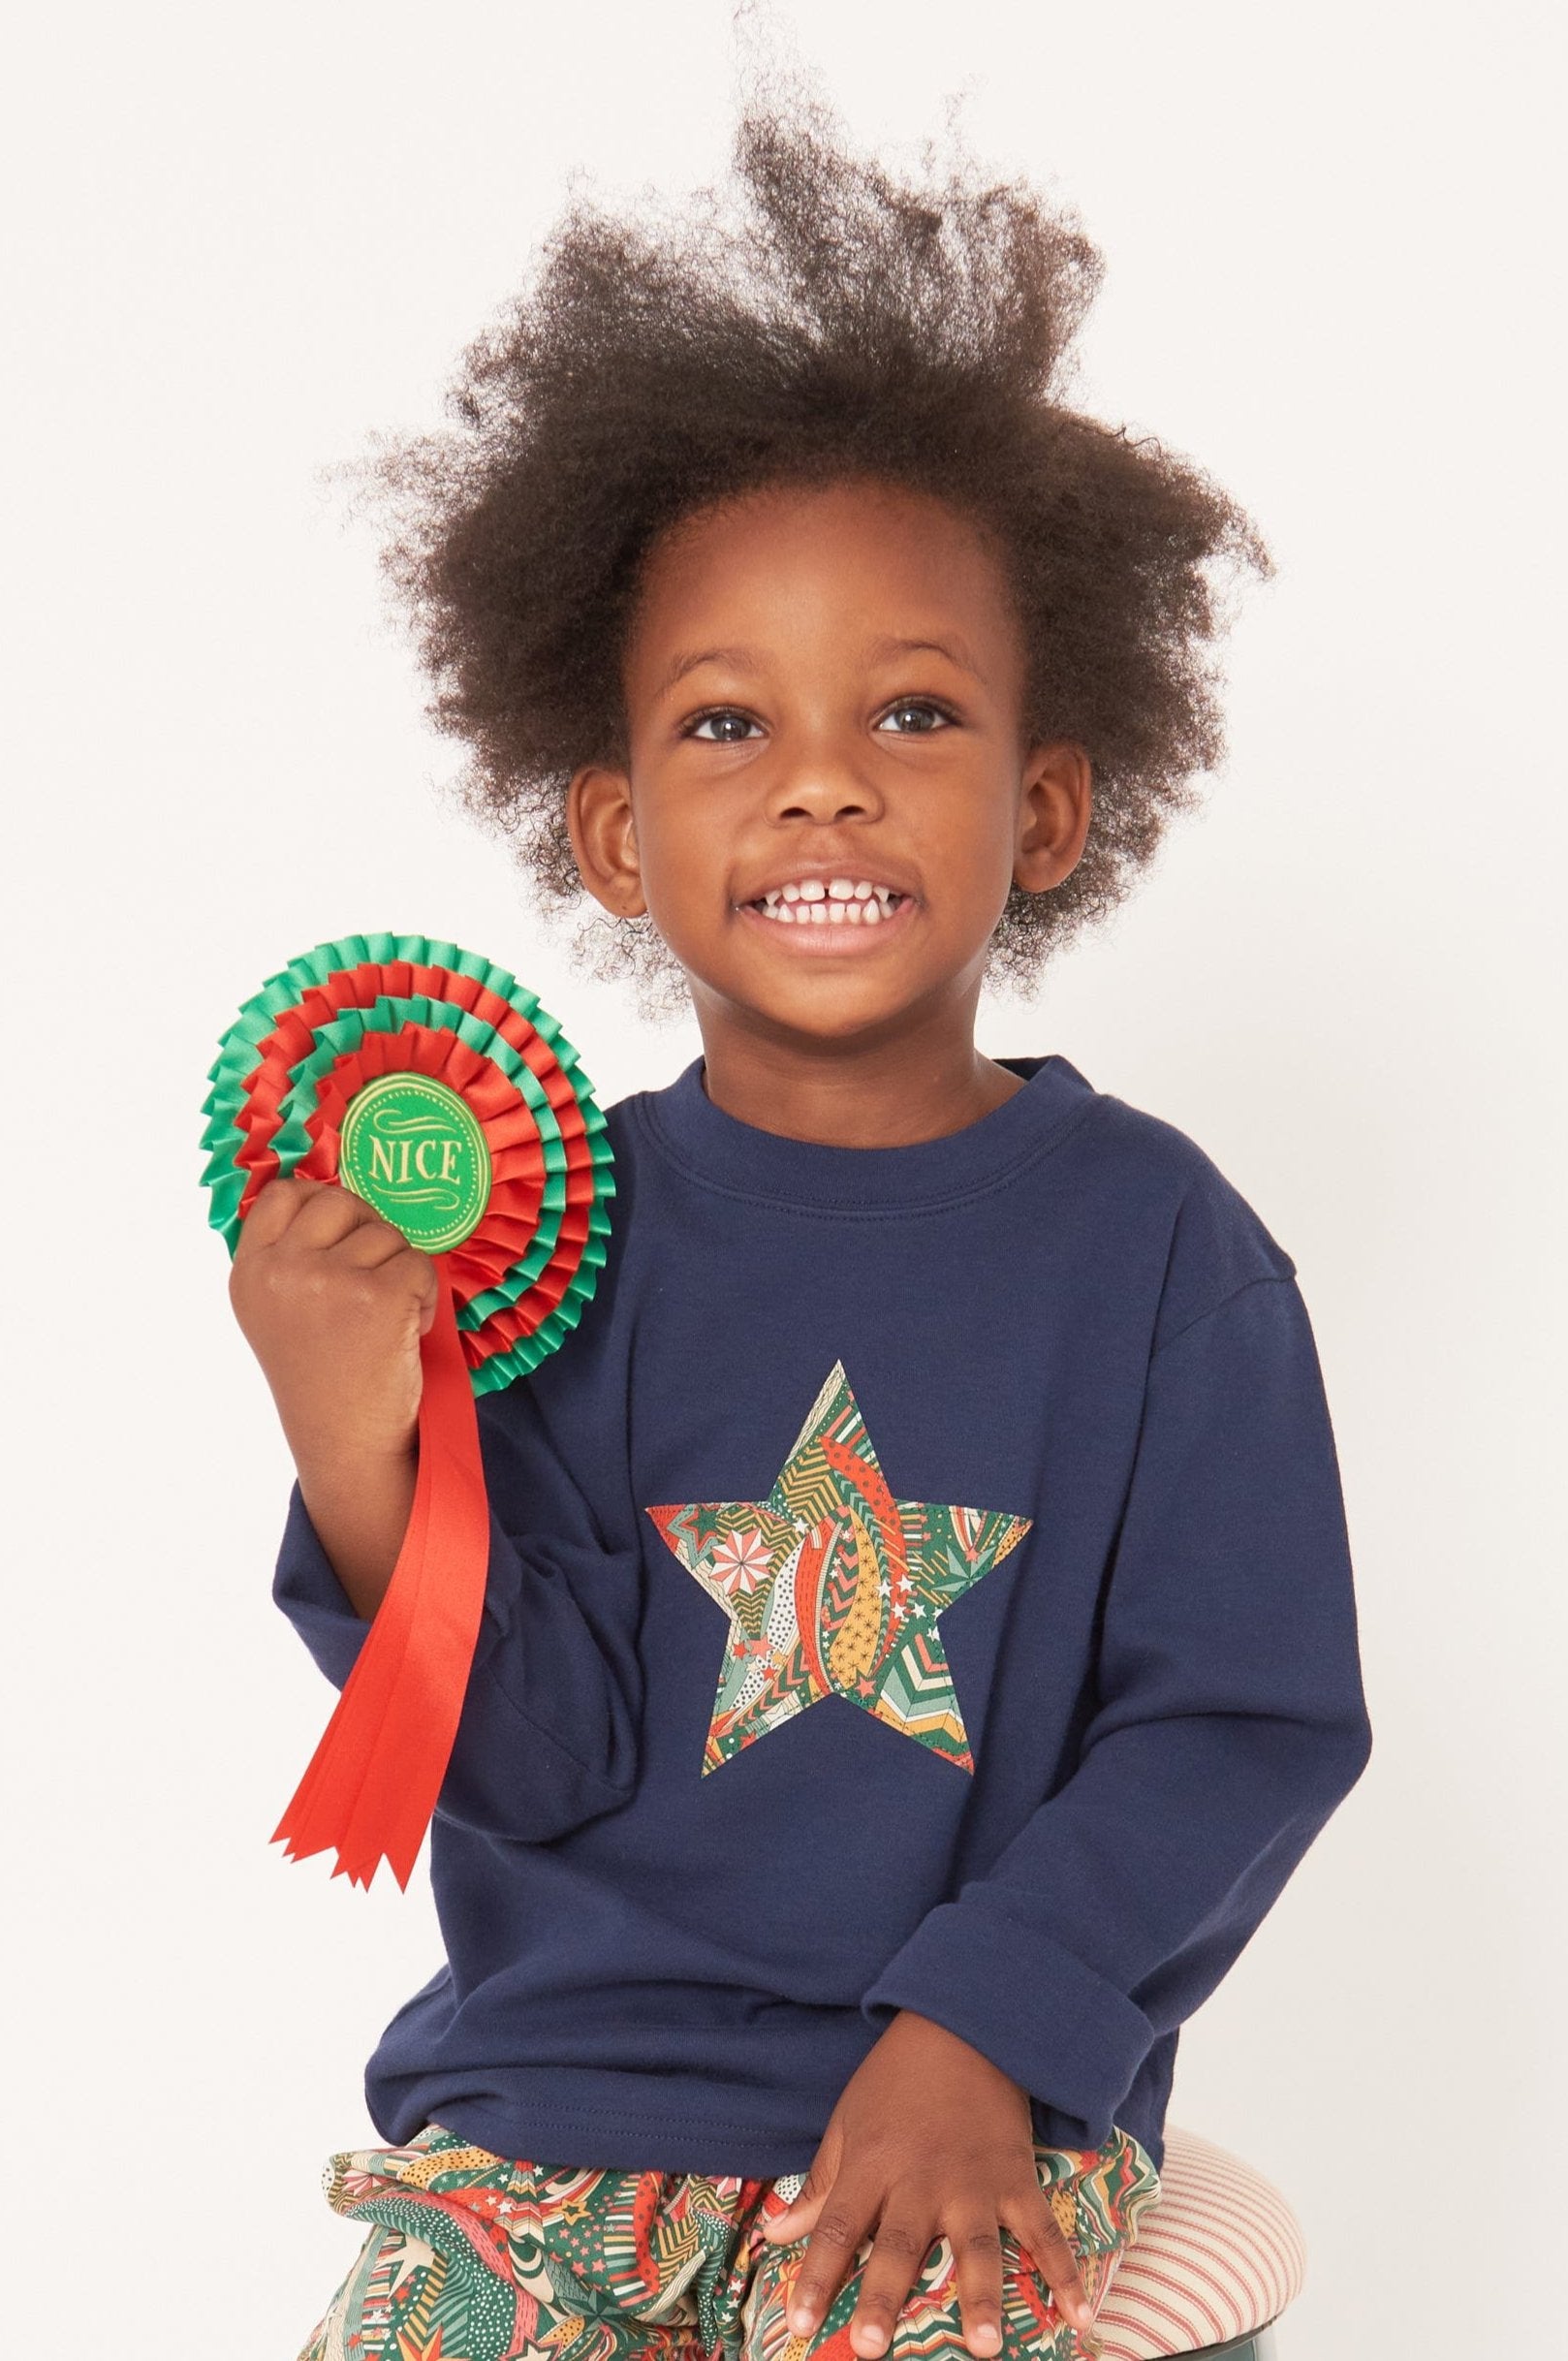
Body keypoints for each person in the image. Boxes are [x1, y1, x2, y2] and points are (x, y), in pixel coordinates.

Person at [231, 61, 1373, 2361]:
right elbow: (536, 1758)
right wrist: (353, 1422)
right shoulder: (553, 1230)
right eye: (725, 726)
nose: (823, 775)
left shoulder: (1155, 1250)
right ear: (611, 837)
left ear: (1050, 805)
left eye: (917, 715)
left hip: (963, 2121)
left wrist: (983, 2032)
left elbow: (1236, 1721)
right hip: (549, 2132)